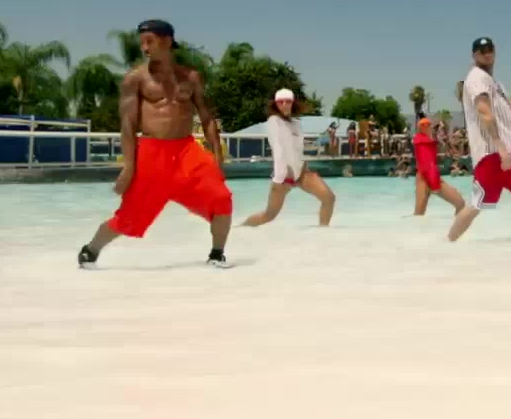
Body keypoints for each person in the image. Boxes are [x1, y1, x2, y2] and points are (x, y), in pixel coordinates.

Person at [77, 20, 234, 268]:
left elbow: (206, 116)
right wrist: (129, 167)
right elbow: (128, 124)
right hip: (151, 152)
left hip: (186, 150)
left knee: (222, 198)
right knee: (130, 217)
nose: (145, 48)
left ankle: (217, 254)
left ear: (167, 41)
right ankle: (90, 250)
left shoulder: (191, 77)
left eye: (149, 41)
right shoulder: (135, 79)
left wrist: (217, 153)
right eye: (142, 42)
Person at [447, 37, 511, 242]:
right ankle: (448, 243)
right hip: (493, 153)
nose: (487, 53)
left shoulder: (494, 83)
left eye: (490, 49)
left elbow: (509, 119)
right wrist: (500, 147)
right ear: (474, 55)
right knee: (476, 204)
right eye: (482, 51)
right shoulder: (476, 77)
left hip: (510, 151)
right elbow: (484, 112)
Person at [241, 88, 336, 228]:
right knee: (269, 215)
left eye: (288, 101)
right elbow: (278, 148)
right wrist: (284, 173)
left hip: (301, 173)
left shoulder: (297, 124)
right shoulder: (274, 121)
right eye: (280, 102)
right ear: (275, 104)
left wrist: (303, 165)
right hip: (283, 175)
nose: (284, 104)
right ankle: (242, 228)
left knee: (329, 198)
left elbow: (296, 148)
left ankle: (323, 231)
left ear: (293, 103)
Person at [412, 115, 466, 216]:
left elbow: (432, 159)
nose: (429, 127)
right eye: (425, 125)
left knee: (460, 203)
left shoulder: (429, 141)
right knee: (418, 214)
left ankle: (457, 223)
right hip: (425, 178)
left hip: (429, 176)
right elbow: (426, 165)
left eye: (429, 125)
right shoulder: (421, 140)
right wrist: (434, 184)